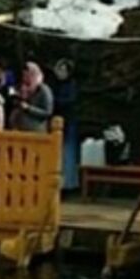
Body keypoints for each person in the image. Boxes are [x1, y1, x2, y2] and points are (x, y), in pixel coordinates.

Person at [49, 58, 80, 190]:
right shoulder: (54, 84)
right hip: (56, 120)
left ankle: (68, 182)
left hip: (68, 121)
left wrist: (55, 101)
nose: (60, 72)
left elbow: (69, 100)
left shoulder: (71, 85)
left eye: (63, 70)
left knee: (68, 152)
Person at [10, 61, 54, 132]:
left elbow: (47, 112)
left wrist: (29, 108)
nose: (25, 78)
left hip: (36, 130)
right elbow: (12, 95)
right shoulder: (21, 86)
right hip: (19, 128)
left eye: (28, 75)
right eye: (24, 75)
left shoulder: (44, 90)